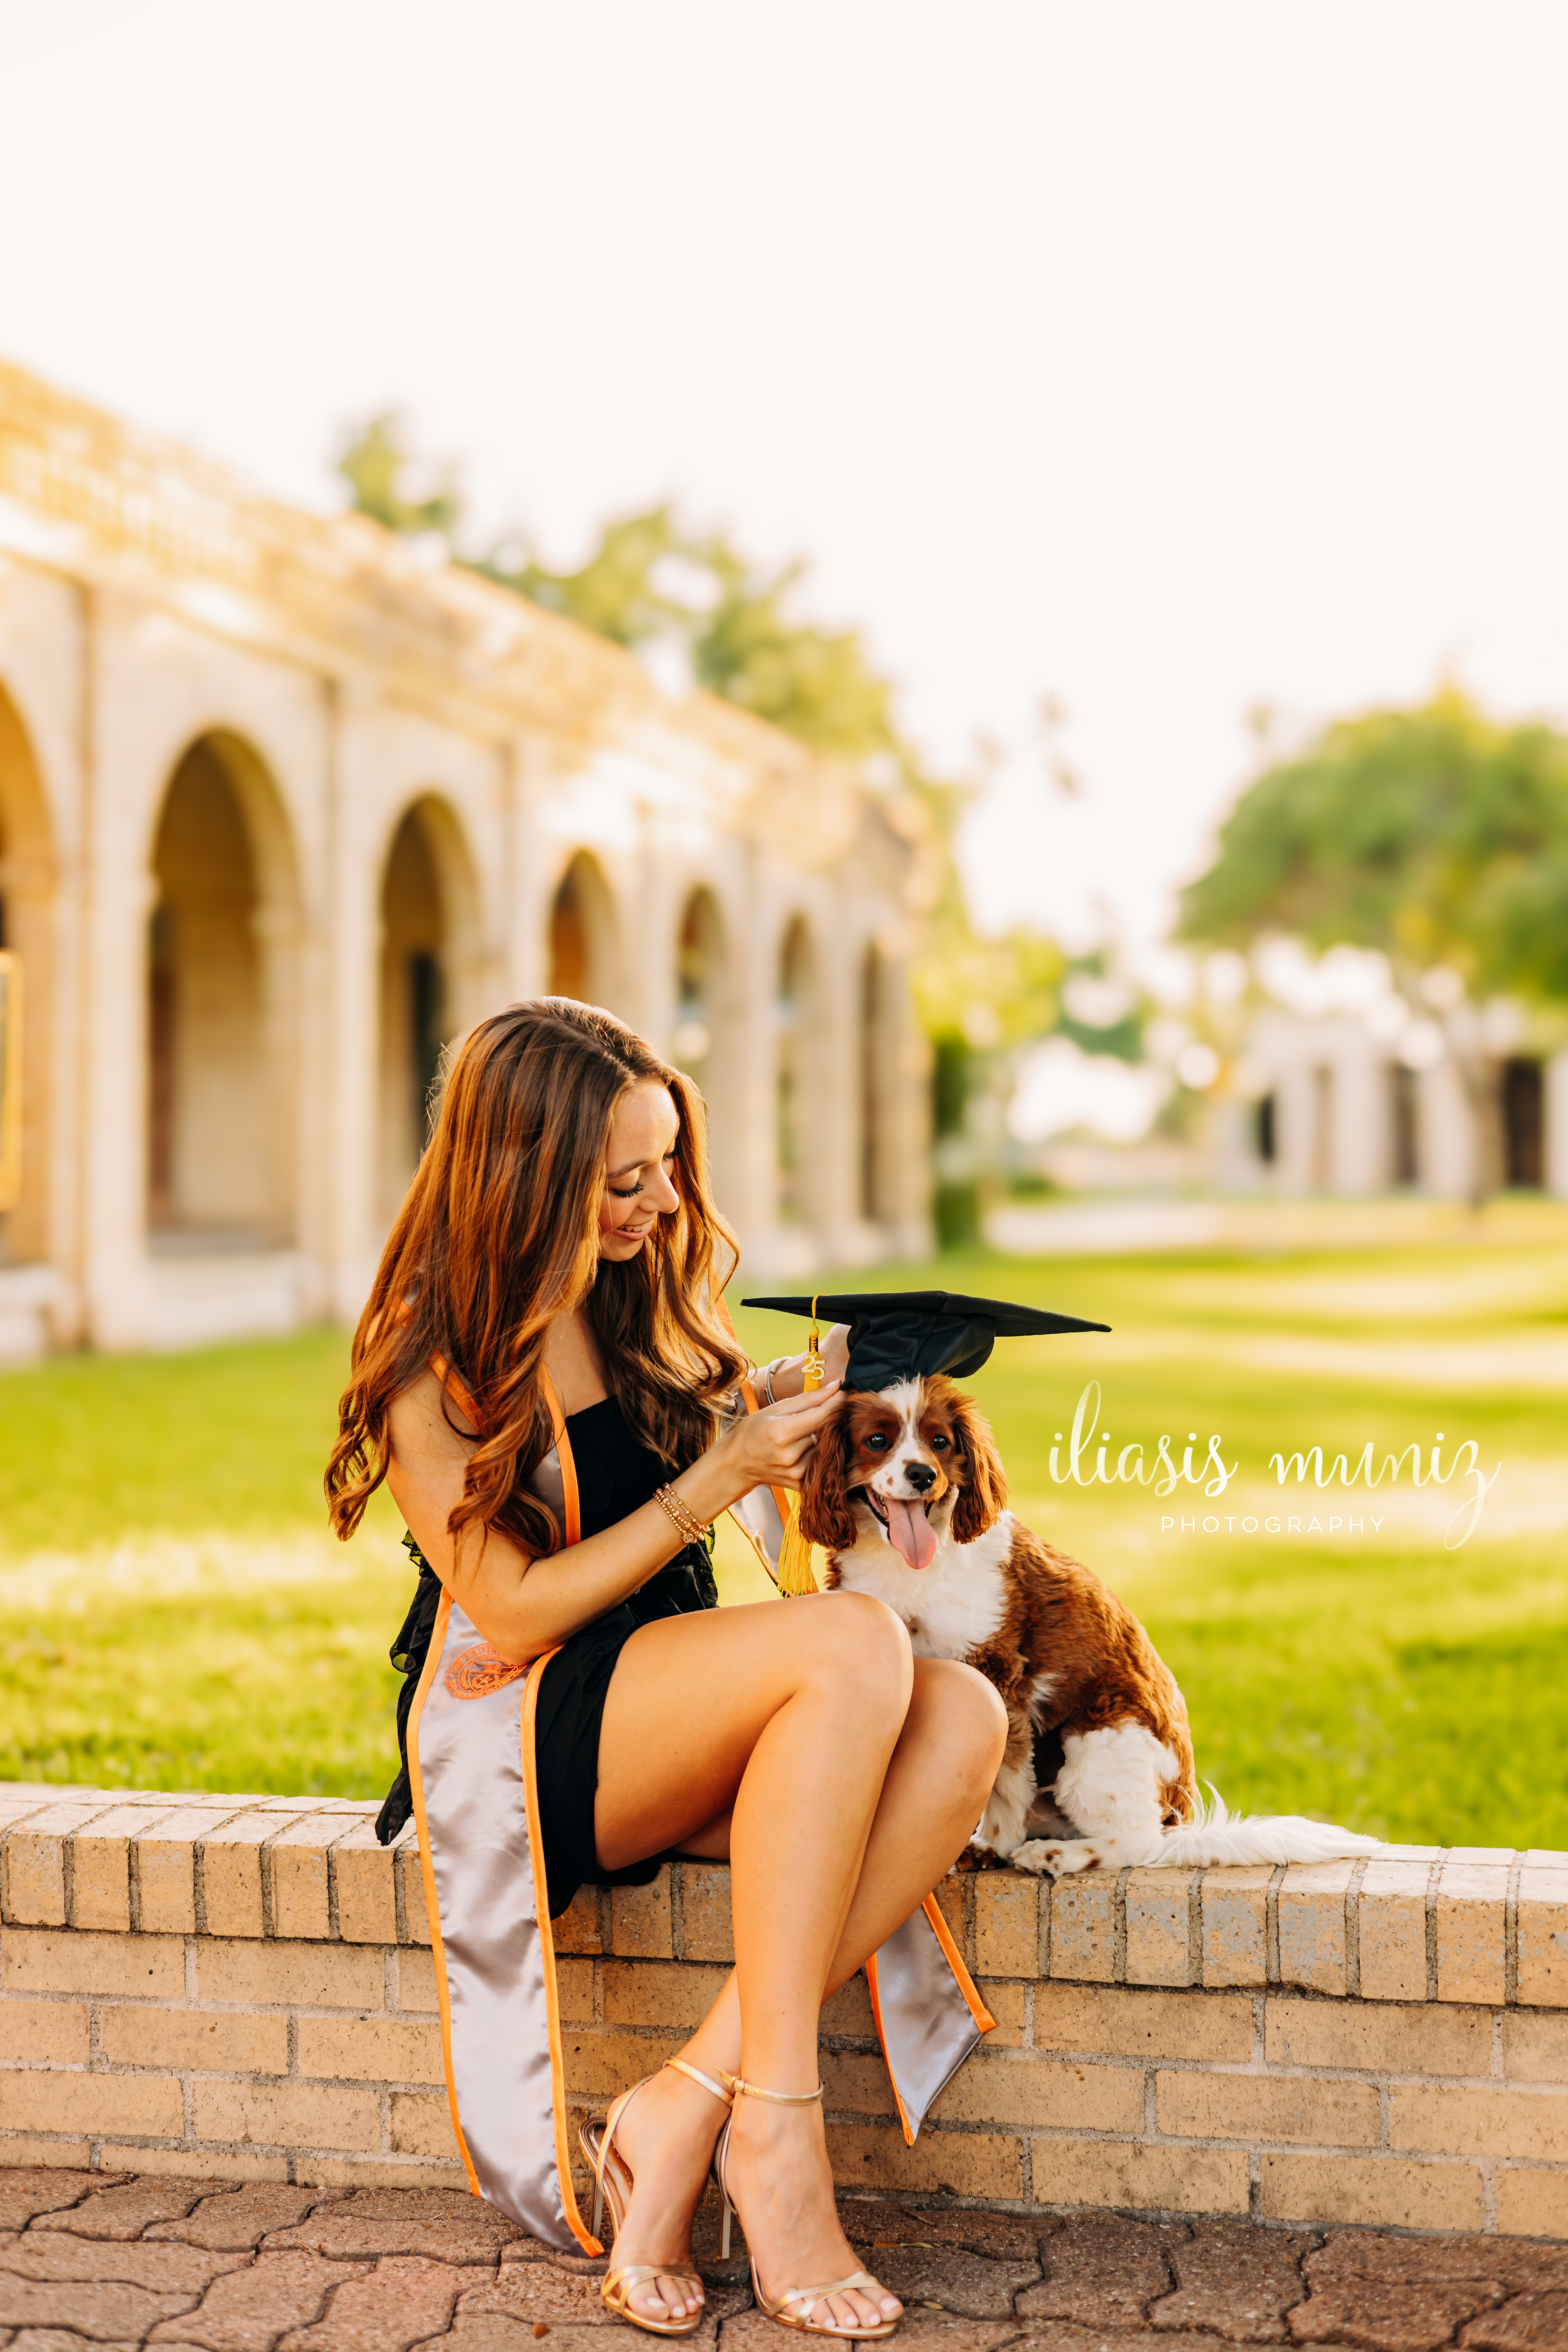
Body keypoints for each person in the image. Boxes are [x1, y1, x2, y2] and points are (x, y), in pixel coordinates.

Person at [326, 998, 1007, 2341]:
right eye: (625, 1179)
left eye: (670, 1165)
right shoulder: (430, 1348)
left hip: (672, 1689)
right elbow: (510, 1611)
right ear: (523, 1174)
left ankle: (686, 2102)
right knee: (857, 1640)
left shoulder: (626, 1285)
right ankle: (781, 2136)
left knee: (963, 1717)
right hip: (532, 1725)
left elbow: (674, 1455)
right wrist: (713, 1483)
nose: (663, 1198)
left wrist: (761, 1411)